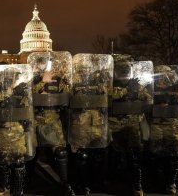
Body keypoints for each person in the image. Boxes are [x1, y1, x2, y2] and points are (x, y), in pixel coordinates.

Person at [28, 51, 74, 195]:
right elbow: (28, 96)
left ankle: (65, 182)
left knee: (60, 152)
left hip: (53, 121)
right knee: (31, 152)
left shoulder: (59, 81)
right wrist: (43, 82)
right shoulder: (33, 81)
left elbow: (68, 96)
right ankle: (29, 180)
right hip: (35, 120)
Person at [69, 54, 113, 195]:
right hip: (80, 122)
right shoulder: (72, 82)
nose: (85, 72)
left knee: (98, 153)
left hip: (97, 121)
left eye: (87, 69)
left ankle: (97, 181)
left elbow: (108, 97)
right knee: (82, 155)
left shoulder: (99, 81)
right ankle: (82, 184)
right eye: (82, 70)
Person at [109, 56, 153, 196]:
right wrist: (127, 91)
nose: (123, 73)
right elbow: (109, 96)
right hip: (114, 125)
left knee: (134, 155)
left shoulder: (135, 84)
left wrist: (136, 91)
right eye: (121, 70)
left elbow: (149, 99)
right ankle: (112, 181)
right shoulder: (111, 84)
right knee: (113, 154)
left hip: (133, 125)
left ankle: (137, 185)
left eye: (126, 70)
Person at [0, 64, 36, 196]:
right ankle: (4, 186)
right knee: (2, 160)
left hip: (18, 130)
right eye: (8, 77)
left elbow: (27, 108)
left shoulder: (22, 91)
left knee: (18, 161)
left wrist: (27, 129)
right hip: (1, 129)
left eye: (14, 77)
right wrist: (8, 92)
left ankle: (18, 189)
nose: (11, 79)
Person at [150, 65, 178, 194]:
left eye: (165, 77)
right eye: (160, 77)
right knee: (157, 154)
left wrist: (172, 96)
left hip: (173, 124)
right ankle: (159, 181)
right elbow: (145, 103)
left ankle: (171, 183)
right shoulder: (151, 89)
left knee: (175, 154)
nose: (162, 80)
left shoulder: (177, 89)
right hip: (157, 125)